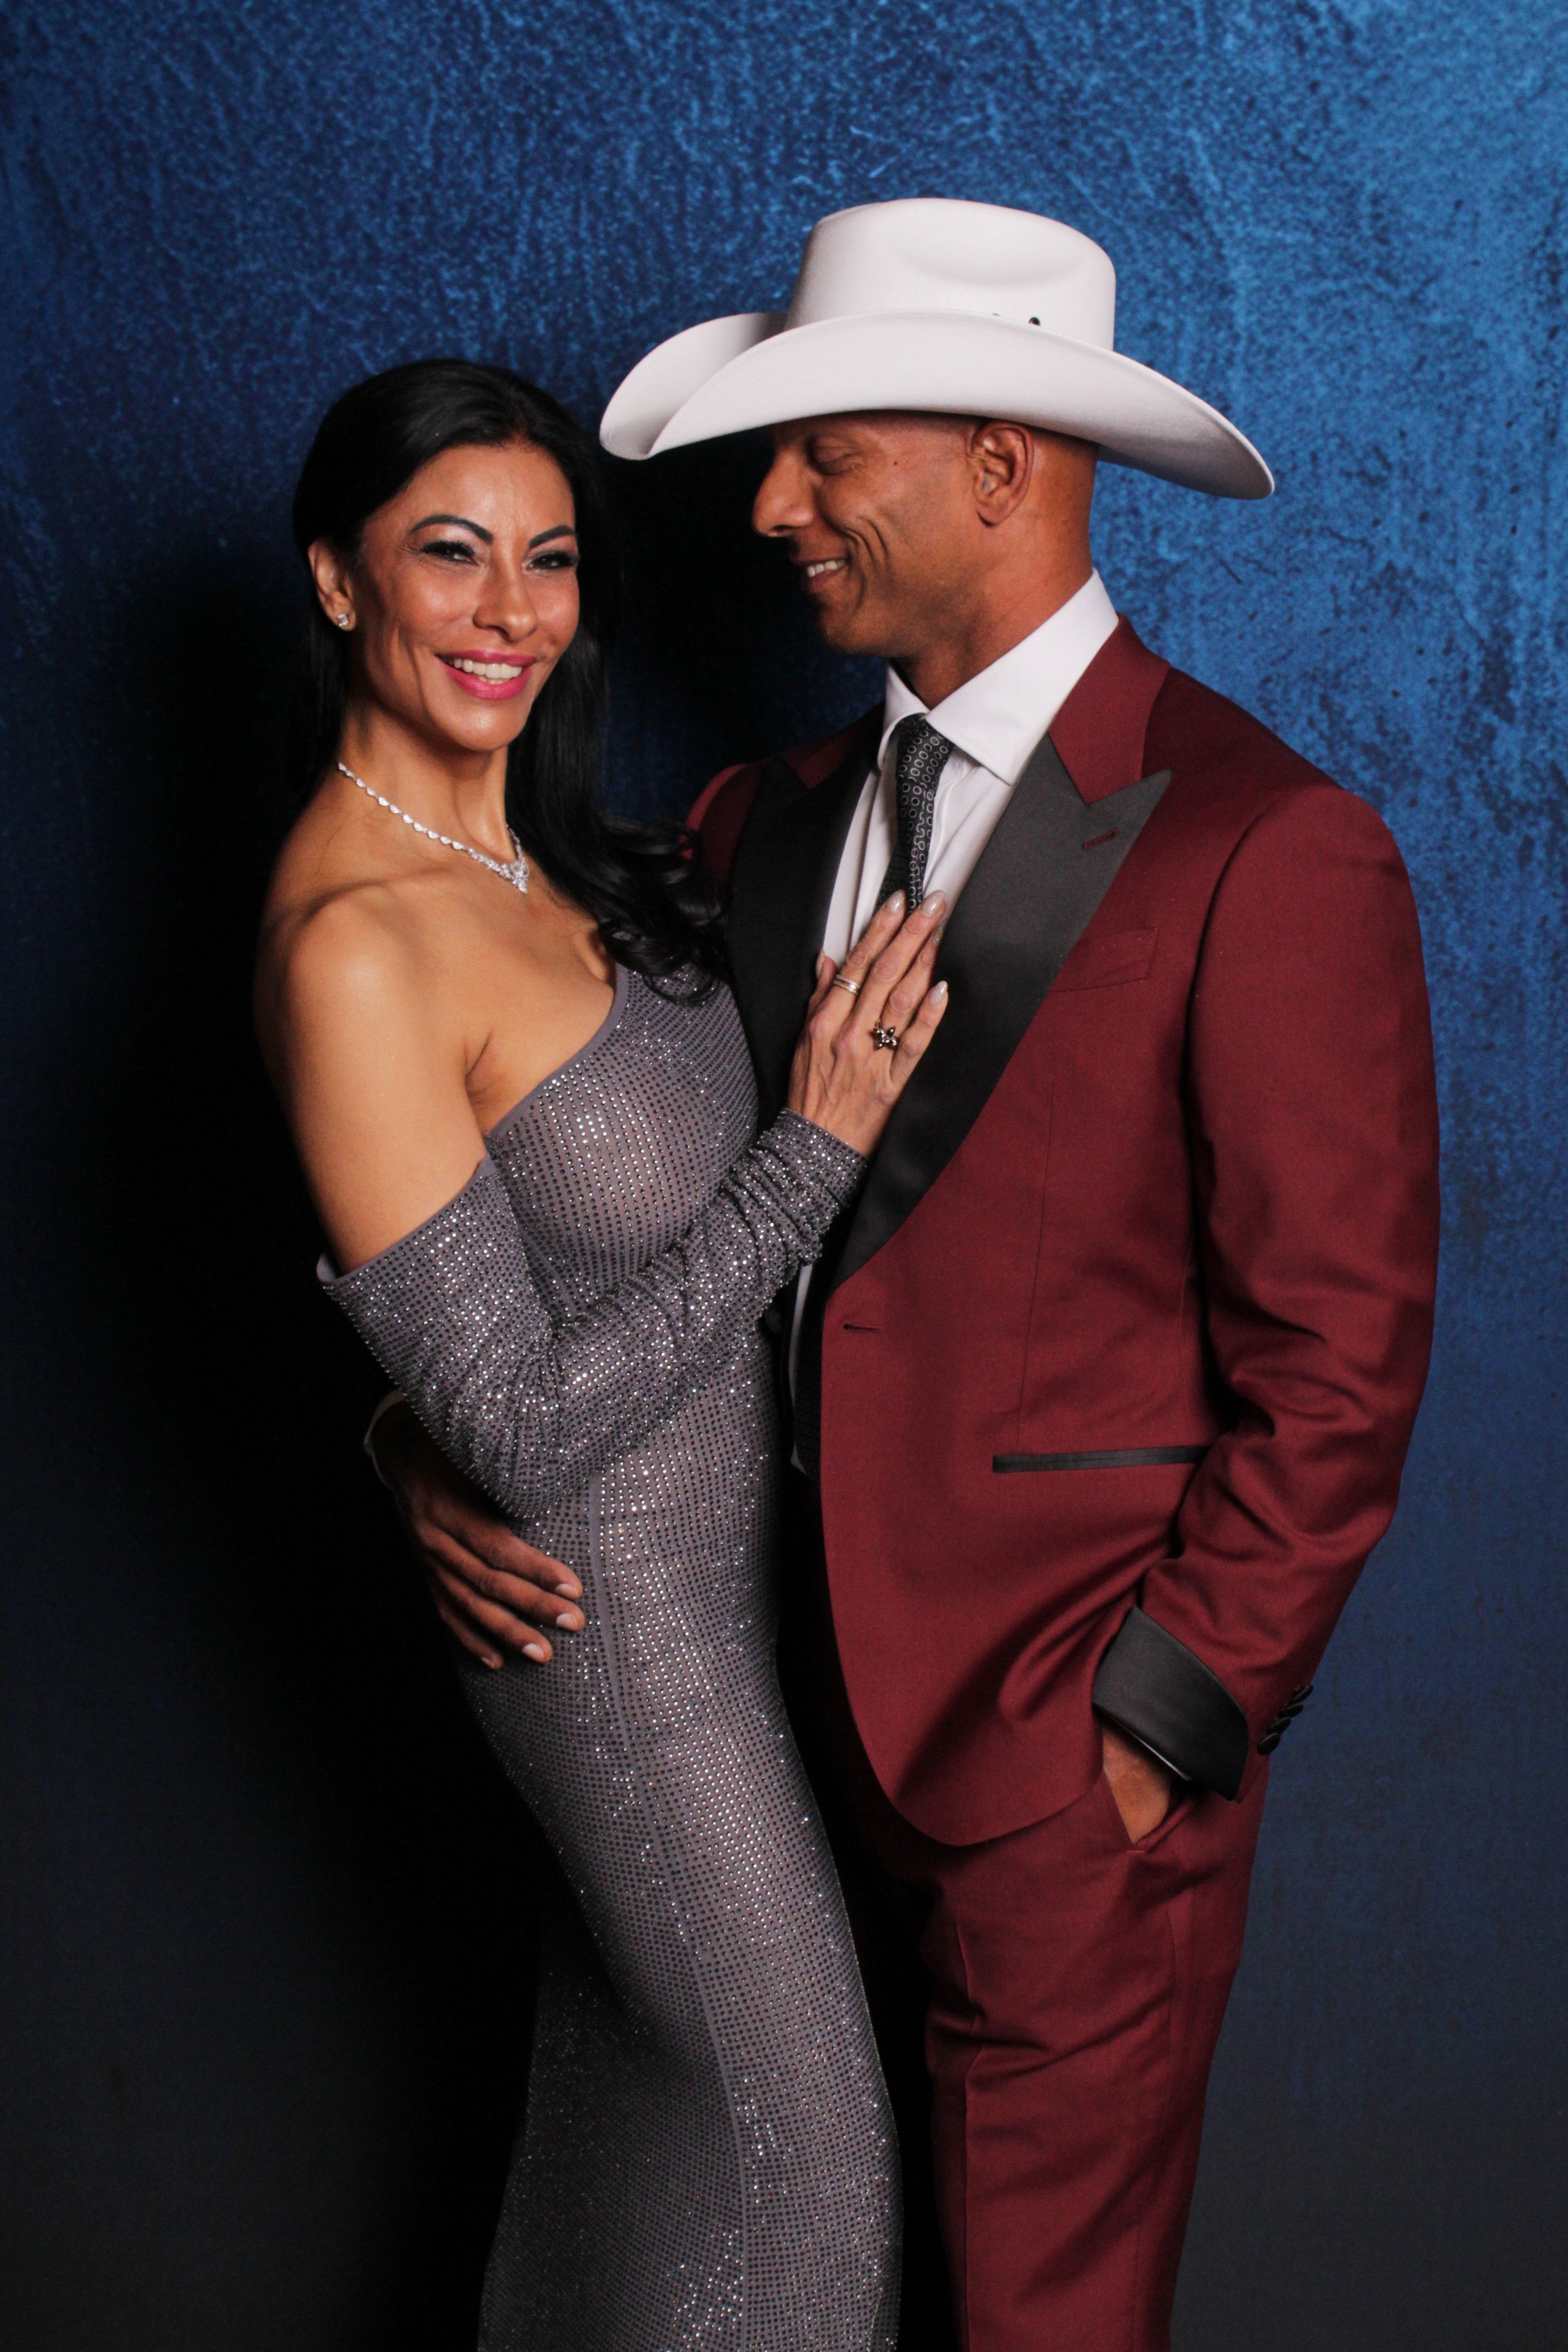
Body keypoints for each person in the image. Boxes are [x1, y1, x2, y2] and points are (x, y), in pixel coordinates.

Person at [377, 200, 1441, 2352]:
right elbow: (579, 1201)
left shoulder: (1264, 845)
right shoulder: (754, 827)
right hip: (753, 1760)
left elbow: (1336, 1369)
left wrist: (1137, 1747)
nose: (766, 509)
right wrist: (432, 1428)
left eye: (819, 450)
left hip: (1051, 1792)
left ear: (998, 461)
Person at [255, 356, 956, 2351]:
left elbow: (463, 1352)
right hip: (614, 1641)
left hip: (744, 1620)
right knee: (804, 2165)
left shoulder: (572, 852)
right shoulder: (351, 940)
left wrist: (395, 1423)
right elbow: (522, 1424)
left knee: (635, 2152)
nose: (508, 612)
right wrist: (806, 1150)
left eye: (548, 559)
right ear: (336, 583)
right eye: (448, 555)